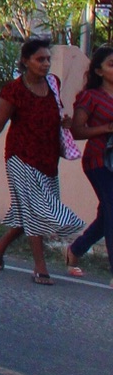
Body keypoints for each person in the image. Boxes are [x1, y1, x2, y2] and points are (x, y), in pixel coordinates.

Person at [0, 36, 87, 284]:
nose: (45, 64)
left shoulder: (53, 84)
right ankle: (40, 268)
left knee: (29, 212)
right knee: (36, 211)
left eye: (48, 59)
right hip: (20, 158)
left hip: (48, 159)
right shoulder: (14, 90)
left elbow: (59, 116)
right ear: (25, 61)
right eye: (39, 59)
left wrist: (66, 122)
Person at [65, 45, 113, 277]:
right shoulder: (90, 97)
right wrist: (106, 128)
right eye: (111, 65)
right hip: (99, 160)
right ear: (99, 71)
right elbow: (76, 130)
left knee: (107, 214)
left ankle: (76, 249)